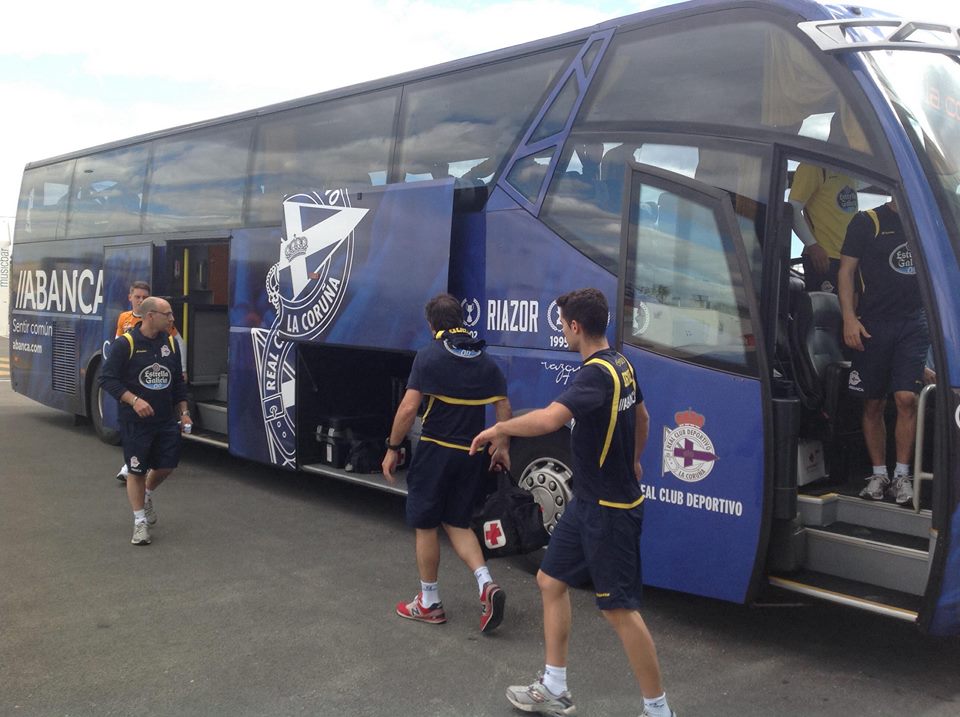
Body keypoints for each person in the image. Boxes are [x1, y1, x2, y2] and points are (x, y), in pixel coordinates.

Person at [470, 288, 674, 717]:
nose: (561, 331)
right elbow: (643, 418)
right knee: (549, 580)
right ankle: (554, 687)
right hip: (587, 501)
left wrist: (497, 431)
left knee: (619, 610)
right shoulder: (622, 363)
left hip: (609, 511)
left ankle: (658, 711)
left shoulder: (594, 375)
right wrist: (633, 460)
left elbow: (549, 418)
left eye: (562, 324)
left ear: (575, 327)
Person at [382, 293, 512, 633]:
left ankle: (429, 603)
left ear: (431, 324)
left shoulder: (429, 357)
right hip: (472, 453)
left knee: (426, 524)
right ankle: (486, 583)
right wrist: (501, 445)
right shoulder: (485, 360)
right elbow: (503, 407)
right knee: (457, 521)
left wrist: (392, 447)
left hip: (436, 451)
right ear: (461, 319)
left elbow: (409, 408)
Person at [839, 199, 930, 505]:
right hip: (873, 323)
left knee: (906, 398)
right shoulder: (867, 221)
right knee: (873, 403)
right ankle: (879, 474)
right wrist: (849, 318)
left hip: (913, 323)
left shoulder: (926, 220)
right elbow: (846, 271)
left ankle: (902, 475)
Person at [100, 297, 192, 545]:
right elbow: (106, 379)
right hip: (135, 422)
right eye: (168, 314)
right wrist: (134, 400)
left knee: (167, 466)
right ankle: (139, 523)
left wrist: (183, 412)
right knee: (136, 470)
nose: (172, 319)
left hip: (164, 420)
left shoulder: (171, 345)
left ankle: (147, 495)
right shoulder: (126, 344)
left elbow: (177, 383)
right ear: (150, 316)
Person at [114, 281, 187, 482]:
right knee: (136, 453)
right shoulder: (124, 319)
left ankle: (139, 474)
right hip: (135, 406)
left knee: (166, 461)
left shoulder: (167, 333)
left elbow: (179, 344)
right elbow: (116, 347)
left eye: (144, 297)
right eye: (137, 296)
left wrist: (182, 370)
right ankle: (130, 467)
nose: (140, 300)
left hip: (160, 404)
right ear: (130, 297)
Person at [789, 161, 859, 294]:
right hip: (825, 258)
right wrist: (812, 245)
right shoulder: (813, 166)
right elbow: (793, 209)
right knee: (829, 311)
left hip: (848, 258)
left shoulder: (849, 169)